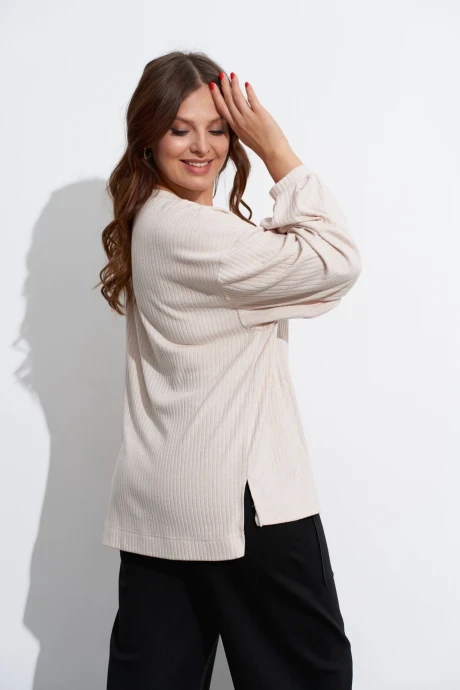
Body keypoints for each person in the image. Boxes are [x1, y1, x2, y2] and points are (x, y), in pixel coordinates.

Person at [96, 50, 362, 690]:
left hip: (164, 500)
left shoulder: (156, 223)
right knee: (307, 676)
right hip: (244, 498)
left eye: (218, 129)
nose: (203, 147)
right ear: (148, 136)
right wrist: (277, 150)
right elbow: (336, 260)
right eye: (180, 128)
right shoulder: (194, 234)